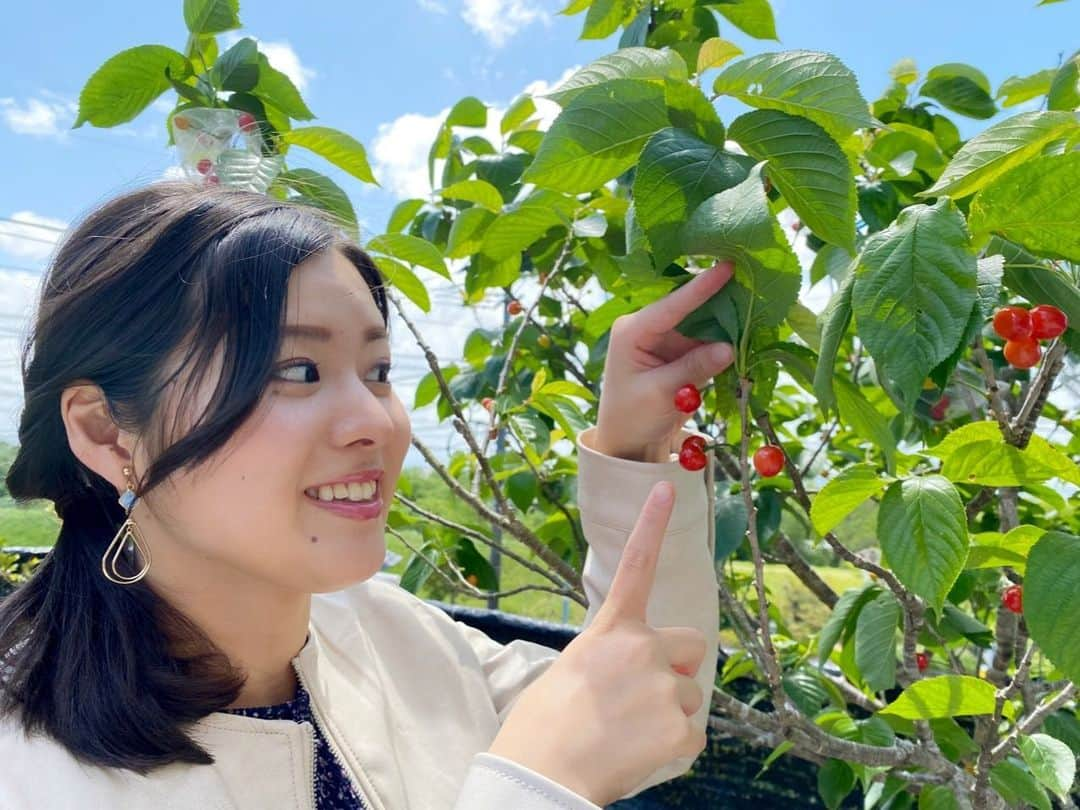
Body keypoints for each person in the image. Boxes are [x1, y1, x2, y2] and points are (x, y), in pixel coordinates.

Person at [0, 181, 736, 809]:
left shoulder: (402, 641)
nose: (374, 422)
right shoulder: (29, 770)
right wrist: (534, 788)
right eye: (295, 369)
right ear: (107, 432)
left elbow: (653, 702)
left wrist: (636, 449)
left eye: (378, 371)